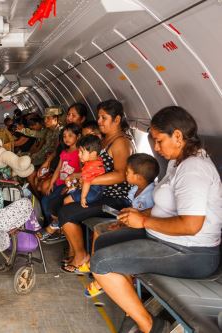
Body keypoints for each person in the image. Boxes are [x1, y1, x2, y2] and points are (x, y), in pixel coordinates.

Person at [91, 106, 222, 333]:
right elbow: (165, 207)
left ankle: (151, 326)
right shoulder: (177, 163)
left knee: (101, 263)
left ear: (178, 136)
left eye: (159, 141)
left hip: (191, 252)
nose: (156, 148)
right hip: (167, 239)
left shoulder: (194, 169)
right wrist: (136, 216)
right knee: (104, 240)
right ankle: (135, 305)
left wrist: (142, 222)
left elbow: (191, 226)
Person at [57, 99, 133, 274]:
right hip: (98, 194)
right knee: (62, 204)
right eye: (98, 117)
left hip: (114, 199)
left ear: (117, 119)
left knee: (65, 213)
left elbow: (121, 174)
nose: (99, 121)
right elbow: (92, 171)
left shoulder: (120, 142)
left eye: (103, 118)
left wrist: (90, 181)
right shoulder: (106, 140)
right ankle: (76, 251)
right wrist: (78, 176)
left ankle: (81, 256)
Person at [85, 153, 159, 298]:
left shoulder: (150, 195)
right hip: (130, 224)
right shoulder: (135, 188)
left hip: (142, 229)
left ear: (138, 177)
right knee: (100, 229)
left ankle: (106, 280)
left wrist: (122, 225)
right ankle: (96, 267)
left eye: (128, 172)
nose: (125, 174)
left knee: (110, 236)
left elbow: (144, 219)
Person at [39, 123, 82, 235]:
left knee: (53, 204)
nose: (66, 138)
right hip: (59, 183)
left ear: (78, 136)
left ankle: (57, 227)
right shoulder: (64, 152)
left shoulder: (80, 153)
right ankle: (51, 225)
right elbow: (58, 169)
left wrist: (72, 187)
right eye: (64, 136)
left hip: (68, 186)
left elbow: (82, 173)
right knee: (44, 200)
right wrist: (51, 183)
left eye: (70, 135)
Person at [63, 134, 106, 208]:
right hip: (99, 192)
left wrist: (83, 198)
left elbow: (86, 183)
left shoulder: (89, 167)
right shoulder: (98, 160)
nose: (79, 155)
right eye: (79, 152)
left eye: (82, 152)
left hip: (91, 193)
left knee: (66, 200)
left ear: (93, 154)